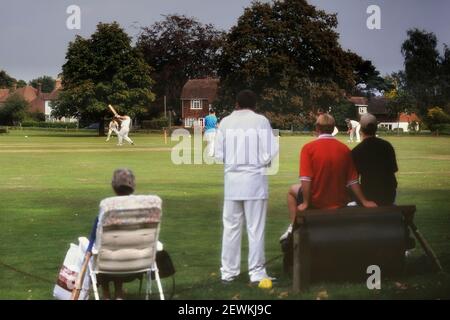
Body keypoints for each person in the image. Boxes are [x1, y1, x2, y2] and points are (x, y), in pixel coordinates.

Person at [215, 89, 279, 284]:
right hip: (254, 182)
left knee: (231, 229)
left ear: (237, 103)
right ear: (255, 104)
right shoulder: (260, 121)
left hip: (233, 183)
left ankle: (228, 273)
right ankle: (257, 273)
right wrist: (258, 162)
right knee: (255, 229)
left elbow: (218, 154)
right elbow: (270, 151)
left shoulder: (225, 122)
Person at [283, 114, 377, 236]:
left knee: (291, 191)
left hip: (316, 201)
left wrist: (306, 203)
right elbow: (353, 180)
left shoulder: (308, 148)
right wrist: (364, 201)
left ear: (317, 128)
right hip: (340, 201)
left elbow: (306, 179)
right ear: (333, 129)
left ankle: (293, 228)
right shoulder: (344, 149)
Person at [87, 168, 137, 299]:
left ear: (114, 186)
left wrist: (88, 249)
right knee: (118, 249)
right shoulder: (143, 206)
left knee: (104, 252)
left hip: (108, 262)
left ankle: (106, 293)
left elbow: (95, 234)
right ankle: (119, 292)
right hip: (136, 261)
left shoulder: (106, 208)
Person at [351, 113, 398, 205]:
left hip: (368, 196)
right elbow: (393, 170)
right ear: (376, 128)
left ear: (361, 129)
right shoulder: (387, 146)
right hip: (388, 196)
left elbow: (354, 180)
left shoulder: (356, 151)